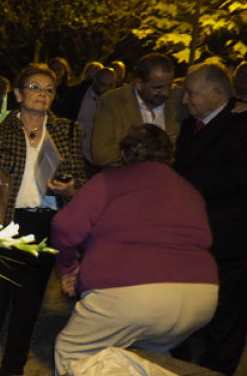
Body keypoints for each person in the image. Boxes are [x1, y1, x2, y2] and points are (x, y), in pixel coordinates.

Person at [51, 124, 218, 375]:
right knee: (147, 356)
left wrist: (68, 268)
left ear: (125, 154)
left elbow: (65, 226)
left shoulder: (110, 181)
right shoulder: (190, 191)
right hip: (201, 299)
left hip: (131, 296)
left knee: (73, 352)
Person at [0, 63, 85, 376]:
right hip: (6, 223)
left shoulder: (68, 129)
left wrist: (69, 188)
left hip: (44, 225)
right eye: (34, 87)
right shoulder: (1, 126)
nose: (42, 95)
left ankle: (12, 370)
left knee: (27, 312)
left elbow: (81, 182)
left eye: (48, 89)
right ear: (17, 93)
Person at [174, 63, 247, 375]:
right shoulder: (192, 126)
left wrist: (184, 184)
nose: (184, 100)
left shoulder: (241, 125)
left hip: (230, 239)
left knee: (228, 312)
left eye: (191, 93)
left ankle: (217, 367)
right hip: (194, 237)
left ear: (216, 94)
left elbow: (236, 178)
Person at [90, 53, 184, 169]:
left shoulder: (180, 100)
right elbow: (100, 155)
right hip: (125, 181)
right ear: (139, 84)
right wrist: (152, 146)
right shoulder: (112, 102)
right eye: (157, 88)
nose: (166, 93)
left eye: (169, 86)